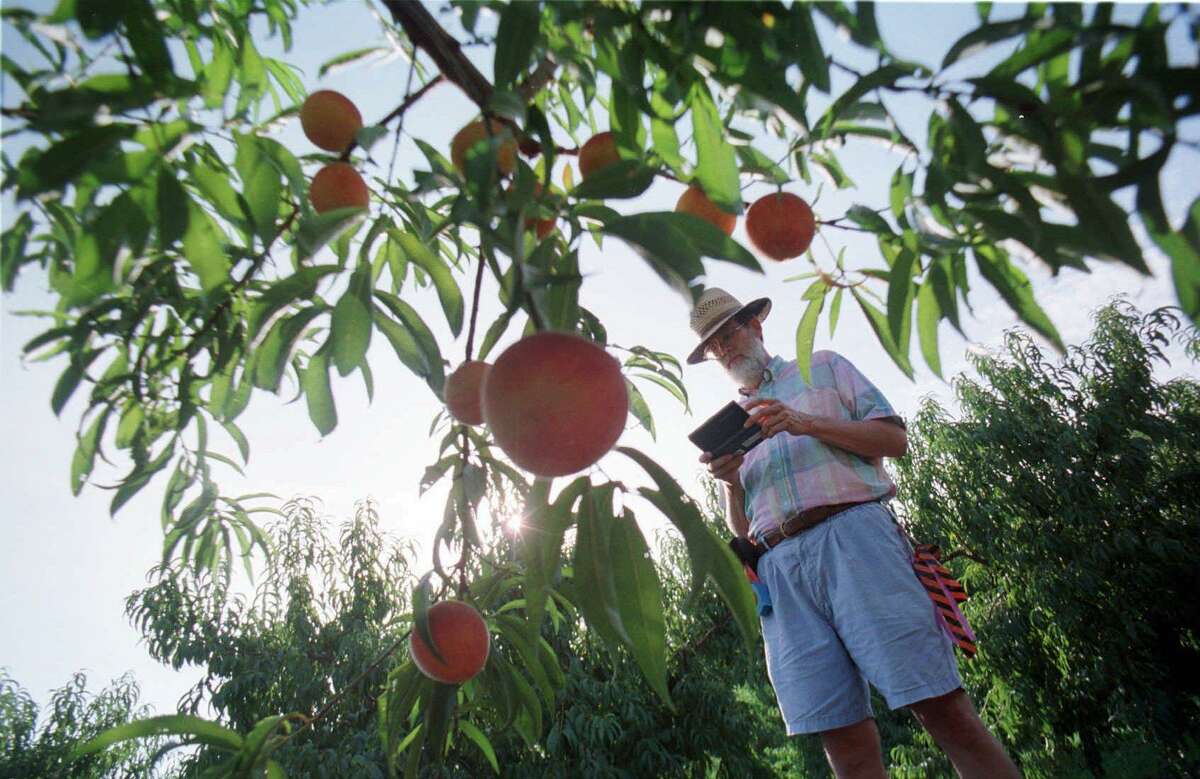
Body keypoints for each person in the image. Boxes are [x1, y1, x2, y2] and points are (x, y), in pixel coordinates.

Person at [687, 288, 1021, 779]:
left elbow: (894, 440)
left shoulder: (822, 366)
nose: (724, 350)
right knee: (842, 741)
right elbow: (744, 533)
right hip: (781, 569)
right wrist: (732, 483)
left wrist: (802, 422)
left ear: (755, 326)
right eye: (713, 346)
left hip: (854, 536)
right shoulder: (730, 425)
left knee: (941, 708)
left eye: (728, 334)